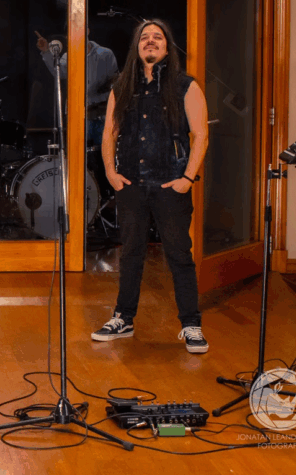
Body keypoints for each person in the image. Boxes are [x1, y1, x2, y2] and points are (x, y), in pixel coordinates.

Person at [90, 19, 210, 354]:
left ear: (167, 48)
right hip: (130, 184)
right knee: (130, 254)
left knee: (179, 254)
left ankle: (191, 324)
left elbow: (201, 134)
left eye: (158, 37)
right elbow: (109, 133)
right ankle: (123, 318)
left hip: (170, 185)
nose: (151, 41)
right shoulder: (121, 88)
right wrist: (111, 173)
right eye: (145, 37)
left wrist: (187, 179)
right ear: (137, 47)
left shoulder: (186, 86)